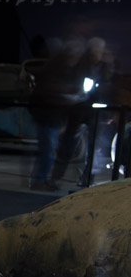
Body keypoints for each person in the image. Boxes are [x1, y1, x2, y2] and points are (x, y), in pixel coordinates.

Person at [50, 37, 114, 186]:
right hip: (79, 111)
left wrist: (108, 113)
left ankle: (86, 178)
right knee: (68, 144)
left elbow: (108, 88)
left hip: (96, 113)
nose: (98, 54)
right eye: (95, 51)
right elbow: (76, 85)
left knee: (93, 148)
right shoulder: (81, 65)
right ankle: (56, 177)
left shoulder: (105, 68)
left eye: (99, 51)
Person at [28, 39, 86, 191]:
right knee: (47, 150)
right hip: (47, 116)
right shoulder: (56, 68)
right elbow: (51, 91)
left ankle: (41, 179)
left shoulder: (61, 68)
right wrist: (72, 97)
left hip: (51, 117)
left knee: (48, 150)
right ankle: (39, 180)